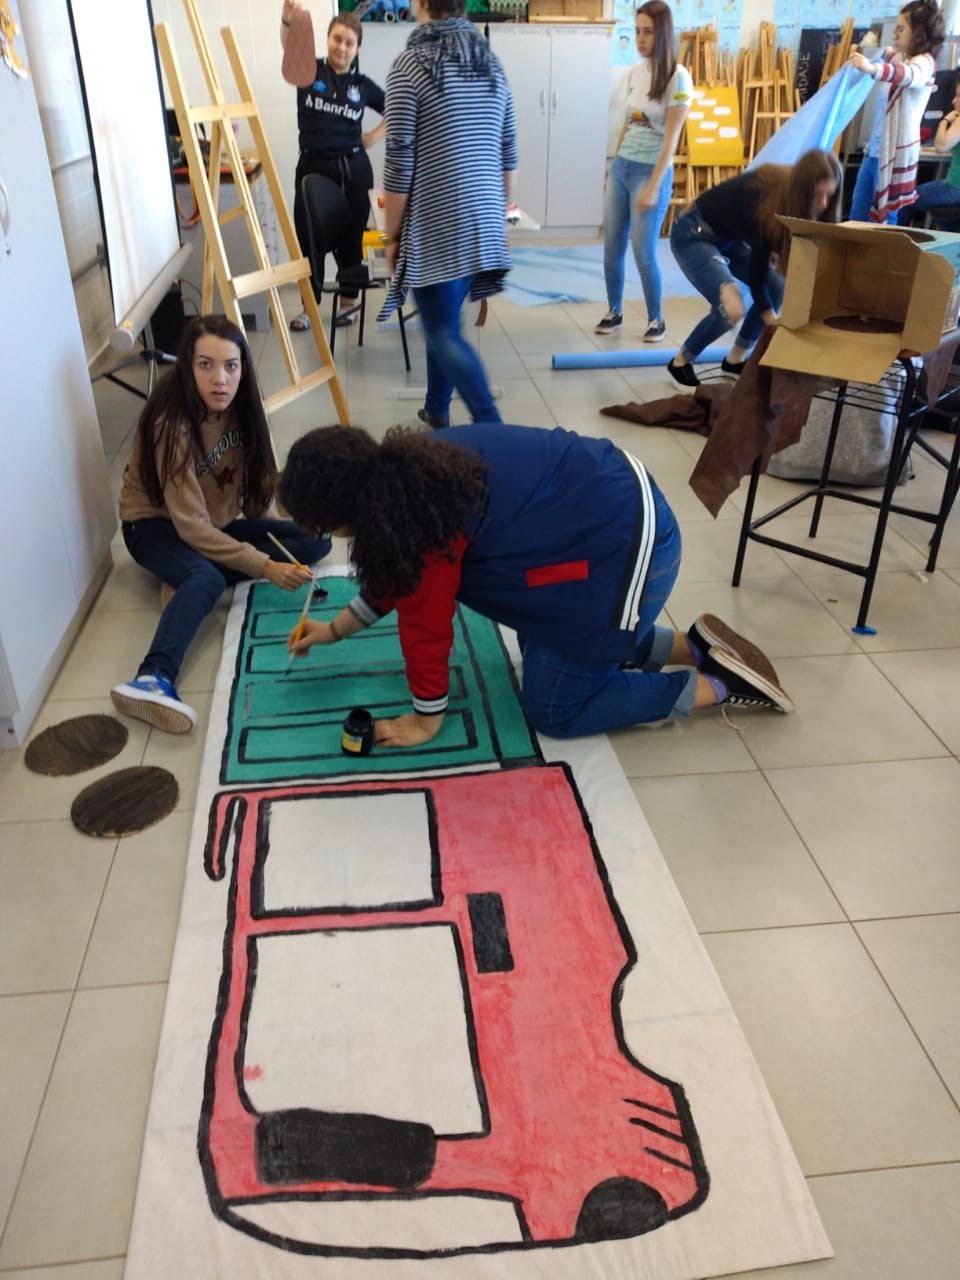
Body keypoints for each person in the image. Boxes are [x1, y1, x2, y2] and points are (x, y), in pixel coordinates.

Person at [277, 424, 794, 751]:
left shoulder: (414, 522)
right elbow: (397, 574)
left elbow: (425, 628)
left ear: (351, 515)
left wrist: (426, 719)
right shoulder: (405, 471)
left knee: (554, 708)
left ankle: (718, 684)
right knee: (538, 644)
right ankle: (692, 646)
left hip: (631, 547)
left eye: (326, 528)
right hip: (619, 508)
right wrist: (334, 630)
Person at [110, 316, 331, 735]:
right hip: (153, 526)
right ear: (188, 367)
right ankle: (152, 676)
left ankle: (188, 575)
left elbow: (257, 501)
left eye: (231, 365)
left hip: (211, 525)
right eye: (205, 365)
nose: (220, 379)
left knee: (314, 542)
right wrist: (265, 566)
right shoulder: (170, 422)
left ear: (243, 367)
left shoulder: (245, 407)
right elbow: (191, 526)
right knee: (207, 577)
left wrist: (276, 542)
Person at [381, 0, 517, 429]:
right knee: (442, 321)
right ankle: (437, 409)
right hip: (485, 217)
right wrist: (501, 217)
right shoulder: (490, 63)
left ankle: (492, 427)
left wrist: (391, 235)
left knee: (442, 330)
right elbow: (508, 150)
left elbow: (398, 163)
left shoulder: (411, 64)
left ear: (422, 4)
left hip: (441, 220)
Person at [667, 148, 842, 388]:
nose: (823, 203)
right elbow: (757, 279)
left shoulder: (792, 197)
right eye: (818, 195)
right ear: (802, 191)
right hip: (693, 233)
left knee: (777, 286)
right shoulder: (767, 199)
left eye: (829, 196)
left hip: (728, 238)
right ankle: (680, 363)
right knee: (731, 309)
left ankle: (735, 360)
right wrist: (772, 322)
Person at [280, 3, 386, 333]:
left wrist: (372, 137)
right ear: (327, 40)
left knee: (352, 237)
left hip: (354, 170)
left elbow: (398, 108)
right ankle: (309, 309)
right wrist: (288, 20)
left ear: (357, 48)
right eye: (337, 39)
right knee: (309, 239)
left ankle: (348, 305)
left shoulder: (362, 85)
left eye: (349, 43)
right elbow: (288, 47)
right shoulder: (308, 71)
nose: (341, 47)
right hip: (313, 168)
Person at [596, 1, 692, 342]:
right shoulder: (634, 73)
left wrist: (653, 185)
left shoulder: (678, 77)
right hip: (623, 167)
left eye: (648, 32)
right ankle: (614, 311)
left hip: (651, 171)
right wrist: (613, 166)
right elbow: (628, 124)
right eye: (637, 31)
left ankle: (656, 319)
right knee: (611, 246)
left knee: (643, 251)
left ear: (662, 33)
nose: (640, 38)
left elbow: (672, 139)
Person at [848, 2, 944, 224]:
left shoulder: (925, 63)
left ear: (918, 32)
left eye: (901, 29)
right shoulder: (902, 58)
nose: (895, 35)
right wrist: (877, 54)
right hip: (874, 152)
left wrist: (871, 68)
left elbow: (906, 74)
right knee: (857, 216)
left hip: (893, 156)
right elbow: (893, 61)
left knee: (885, 219)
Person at [901, 76, 960, 227]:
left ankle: (897, 239)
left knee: (905, 200)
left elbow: (941, 147)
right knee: (944, 216)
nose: (954, 100)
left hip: (955, 187)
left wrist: (945, 121)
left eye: (959, 96)